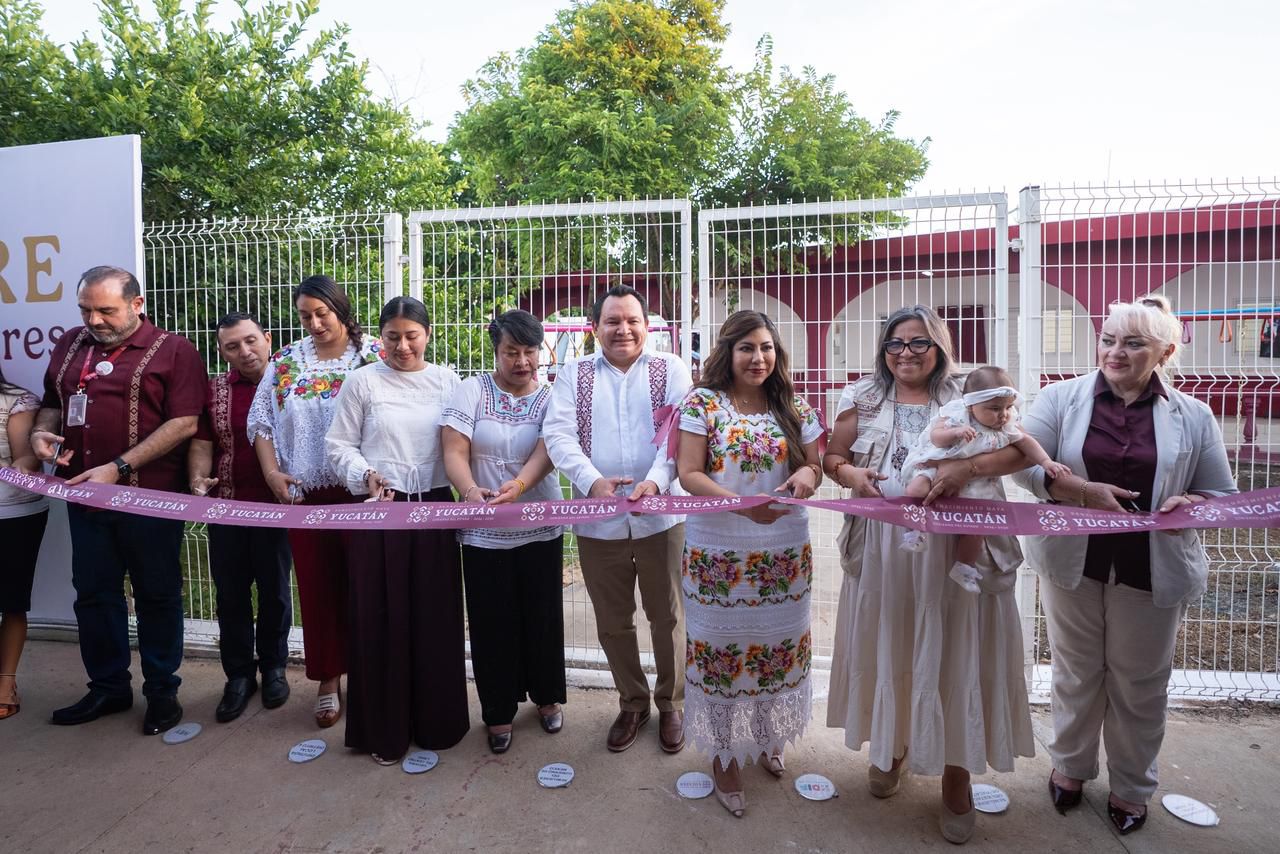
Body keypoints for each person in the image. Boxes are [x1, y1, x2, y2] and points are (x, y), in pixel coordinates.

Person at [1012, 297, 1236, 835]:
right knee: (1075, 671)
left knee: (1141, 683)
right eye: (1108, 339)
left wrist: (1192, 506)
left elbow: (1219, 494)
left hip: (1150, 569)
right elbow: (1025, 468)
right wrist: (1080, 491)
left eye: (1134, 343)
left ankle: (1133, 786)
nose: (1116, 352)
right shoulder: (1060, 398)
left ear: (1165, 352)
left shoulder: (1193, 414)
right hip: (1074, 562)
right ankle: (1070, 766)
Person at [822, 305, 1034, 844]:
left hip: (959, 549)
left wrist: (967, 468)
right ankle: (892, 747)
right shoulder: (861, 396)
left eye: (919, 342)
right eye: (895, 343)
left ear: (939, 347)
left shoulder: (970, 392)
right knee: (894, 641)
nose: (906, 353)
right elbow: (833, 457)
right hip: (886, 547)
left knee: (957, 649)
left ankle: (956, 774)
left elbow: (1019, 451)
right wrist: (851, 474)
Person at [30, 265, 208, 735]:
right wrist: (42, 433)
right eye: (86, 310)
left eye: (106, 310)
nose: (95, 320)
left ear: (137, 304)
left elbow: (185, 422)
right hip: (84, 497)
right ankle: (109, 687)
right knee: (93, 594)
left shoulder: (174, 350)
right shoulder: (70, 344)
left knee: (157, 594)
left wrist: (119, 467)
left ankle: (162, 691)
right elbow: (53, 401)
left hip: (149, 500)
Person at [675, 311, 824, 818]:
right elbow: (689, 473)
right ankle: (723, 755)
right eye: (746, 348)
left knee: (774, 645)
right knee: (719, 649)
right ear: (728, 352)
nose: (758, 358)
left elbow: (815, 464)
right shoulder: (703, 403)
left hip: (783, 550)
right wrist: (743, 506)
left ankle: (766, 736)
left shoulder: (794, 405)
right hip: (718, 550)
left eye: (766, 348)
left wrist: (806, 476)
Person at [544, 284, 693, 754]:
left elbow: (681, 433)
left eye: (632, 321)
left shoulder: (670, 369)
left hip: (661, 517)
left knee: (668, 616)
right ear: (595, 328)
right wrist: (592, 482)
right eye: (612, 321)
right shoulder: (575, 373)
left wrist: (655, 482)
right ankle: (632, 702)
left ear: (647, 326)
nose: (622, 329)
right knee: (612, 620)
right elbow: (558, 434)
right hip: (598, 519)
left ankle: (672, 703)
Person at [325, 296, 469, 763]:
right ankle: (384, 731)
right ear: (380, 337)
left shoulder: (448, 382)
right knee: (380, 616)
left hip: (434, 511)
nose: (403, 346)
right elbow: (338, 444)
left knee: (434, 616)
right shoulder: (362, 382)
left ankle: (437, 724)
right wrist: (365, 473)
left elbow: (462, 445)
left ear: (427, 335)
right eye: (392, 337)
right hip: (380, 510)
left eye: (411, 336)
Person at [247, 274, 382, 728]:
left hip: (365, 494)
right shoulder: (286, 361)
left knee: (367, 587)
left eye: (322, 313)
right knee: (318, 588)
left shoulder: (373, 356)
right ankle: (328, 676)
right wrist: (272, 474)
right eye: (305, 316)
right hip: (305, 495)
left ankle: (370, 672)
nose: (315, 323)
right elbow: (261, 423)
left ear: (341, 309)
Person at [441, 310, 566, 755]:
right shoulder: (472, 390)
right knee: (491, 620)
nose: (522, 361)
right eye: (511, 352)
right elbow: (454, 450)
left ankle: (547, 696)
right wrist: (470, 490)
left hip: (539, 525)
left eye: (530, 351)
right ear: (495, 351)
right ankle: (497, 709)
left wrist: (518, 486)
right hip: (484, 530)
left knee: (542, 615)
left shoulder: (551, 397)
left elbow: (548, 451)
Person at [187, 312, 292, 723]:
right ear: (221, 351)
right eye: (232, 346)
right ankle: (238, 676)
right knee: (230, 594)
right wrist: (198, 478)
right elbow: (202, 443)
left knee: (275, 591)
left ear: (268, 338)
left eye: (250, 341)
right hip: (226, 508)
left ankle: (275, 667)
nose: (244, 352)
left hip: (279, 508)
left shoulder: (292, 384)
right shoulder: (214, 391)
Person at [899, 365, 1071, 591]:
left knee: (976, 528)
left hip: (975, 482)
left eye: (1008, 407)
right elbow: (936, 437)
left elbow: (1026, 442)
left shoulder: (1007, 426)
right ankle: (914, 531)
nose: (1003, 414)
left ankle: (964, 567)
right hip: (938, 464)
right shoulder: (956, 415)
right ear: (971, 406)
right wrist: (955, 432)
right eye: (994, 408)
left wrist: (1046, 462)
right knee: (916, 490)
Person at [0, 367, 50, 721]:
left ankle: (5, 684)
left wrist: (16, 470)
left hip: (12, 513)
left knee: (11, 600)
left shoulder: (16, 401)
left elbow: (27, 458)